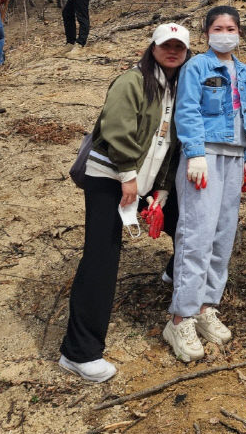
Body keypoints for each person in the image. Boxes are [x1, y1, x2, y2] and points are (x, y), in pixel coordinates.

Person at [59, 23, 190, 382]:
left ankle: (174, 273)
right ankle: (79, 352)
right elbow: (117, 128)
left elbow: (170, 145)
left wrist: (162, 191)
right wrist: (128, 176)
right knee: (102, 256)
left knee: (188, 225)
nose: (173, 51)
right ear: (153, 47)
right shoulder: (132, 81)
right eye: (167, 45)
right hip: (111, 178)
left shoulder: (179, 87)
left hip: (145, 180)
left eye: (180, 47)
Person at [166, 6, 246, 362]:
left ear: (238, 33)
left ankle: (206, 307)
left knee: (222, 235)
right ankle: (180, 317)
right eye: (218, 27)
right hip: (204, 158)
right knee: (196, 236)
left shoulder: (245, 71)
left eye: (231, 27)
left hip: (235, 158)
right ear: (207, 33)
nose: (225, 32)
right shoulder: (197, 67)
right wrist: (195, 152)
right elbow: (187, 109)